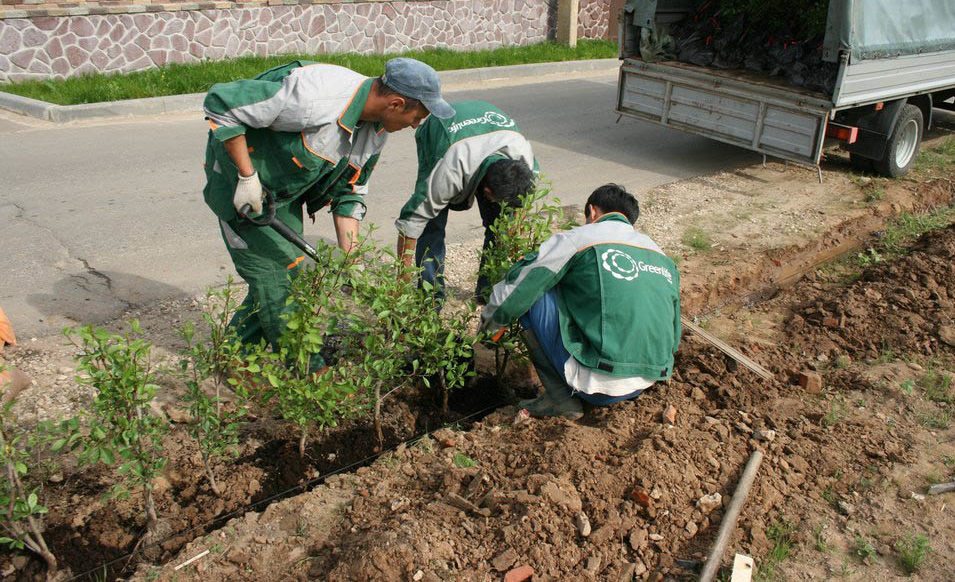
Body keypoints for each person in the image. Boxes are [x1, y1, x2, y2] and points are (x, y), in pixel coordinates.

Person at [202, 58, 454, 351]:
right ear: (396, 104)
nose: (415, 126)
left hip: (282, 191)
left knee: (285, 274)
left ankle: (235, 352)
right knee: (280, 274)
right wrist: (247, 177)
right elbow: (221, 102)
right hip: (241, 186)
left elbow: (349, 191)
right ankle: (307, 372)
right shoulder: (315, 96)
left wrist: (352, 261)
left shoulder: (376, 130)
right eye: (417, 118)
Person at [479, 184, 681, 419]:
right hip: (647, 380)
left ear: (592, 212)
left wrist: (488, 331)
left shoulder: (579, 238)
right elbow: (675, 330)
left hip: (599, 386)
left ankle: (560, 400)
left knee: (534, 290)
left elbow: (518, 287)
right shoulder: (660, 255)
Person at [394, 100, 537, 305]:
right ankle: (430, 299)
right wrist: (402, 280)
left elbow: (520, 210)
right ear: (487, 191)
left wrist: (514, 241)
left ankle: (487, 293)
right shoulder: (447, 171)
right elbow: (411, 222)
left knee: (502, 227)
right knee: (431, 225)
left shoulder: (525, 162)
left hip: (492, 132)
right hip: (442, 131)